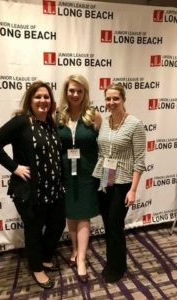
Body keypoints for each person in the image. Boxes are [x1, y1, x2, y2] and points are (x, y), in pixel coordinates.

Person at [0, 81, 65, 289]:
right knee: (34, 230)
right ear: (30, 99)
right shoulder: (21, 122)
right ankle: (37, 268)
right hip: (29, 191)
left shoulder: (50, 122)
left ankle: (46, 258)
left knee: (57, 224)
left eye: (46, 97)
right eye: (38, 96)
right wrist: (14, 167)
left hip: (53, 189)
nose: (43, 100)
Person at [93, 83, 146, 283]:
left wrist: (133, 189)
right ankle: (114, 262)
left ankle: (117, 267)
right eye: (108, 99)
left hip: (123, 182)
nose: (112, 102)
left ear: (123, 99)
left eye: (116, 98)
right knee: (108, 223)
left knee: (115, 224)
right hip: (106, 177)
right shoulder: (104, 122)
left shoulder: (135, 124)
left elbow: (140, 160)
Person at [56, 74, 101, 283]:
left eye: (79, 91)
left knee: (83, 216)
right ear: (66, 92)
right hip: (65, 174)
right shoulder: (58, 117)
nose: (75, 94)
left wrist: (107, 176)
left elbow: (105, 146)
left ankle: (81, 259)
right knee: (71, 215)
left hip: (86, 175)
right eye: (71, 90)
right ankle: (74, 250)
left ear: (85, 93)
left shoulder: (94, 117)